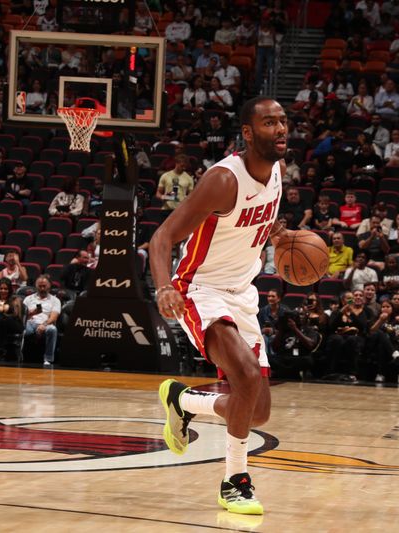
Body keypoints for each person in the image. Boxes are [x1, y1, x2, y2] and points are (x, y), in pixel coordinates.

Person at [151, 97, 293, 515]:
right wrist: (163, 288)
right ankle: (235, 482)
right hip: (201, 289)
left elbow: (251, 227)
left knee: (258, 411)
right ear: (248, 133)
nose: (281, 129)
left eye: (283, 121)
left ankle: (183, 401)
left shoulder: (277, 173)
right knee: (246, 378)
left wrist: (277, 236)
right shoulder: (223, 180)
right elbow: (161, 238)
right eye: (269, 123)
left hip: (242, 292)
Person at [22, 275, 61, 367]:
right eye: (40, 286)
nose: (42, 288)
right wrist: (32, 313)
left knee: (52, 330)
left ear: (49, 286)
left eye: (44, 286)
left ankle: (48, 359)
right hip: (30, 322)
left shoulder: (55, 300)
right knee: (25, 330)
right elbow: (22, 316)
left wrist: (44, 324)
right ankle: (21, 355)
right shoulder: (28, 299)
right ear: (36, 286)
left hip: (46, 322)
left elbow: (54, 317)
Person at [0, 278, 24, 360]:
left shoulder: (15, 300)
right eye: (1, 289)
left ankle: (1, 349)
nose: (3, 291)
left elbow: (16, 315)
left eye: (6, 289)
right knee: (1, 319)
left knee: (3, 318)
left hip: (15, 325)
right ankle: (2, 349)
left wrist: (4, 308)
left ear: (9, 290)